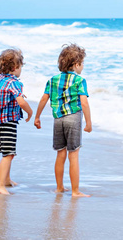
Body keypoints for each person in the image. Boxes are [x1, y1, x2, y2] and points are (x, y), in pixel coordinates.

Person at [34, 43, 92, 197]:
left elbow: (43, 99)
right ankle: (75, 191)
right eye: (82, 63)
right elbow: (84, 103)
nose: (83, 66)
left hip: (58, 119)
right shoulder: (80, 81)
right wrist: (88, 123)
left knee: (61, 154)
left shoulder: (53, 80)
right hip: (73, 118)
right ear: (76, 64)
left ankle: (59, 187)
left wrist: (37, 116)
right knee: (73, 154)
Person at [0, 48, 33, 195]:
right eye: (21, 67)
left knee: (7, 152)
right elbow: (21, 102)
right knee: (8, 154)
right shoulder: (14, 83)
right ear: (15, 67)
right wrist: (30, 112)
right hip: (8, 122)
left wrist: (20, 97)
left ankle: (7, 179)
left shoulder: (0, 79)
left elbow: (6, 95)